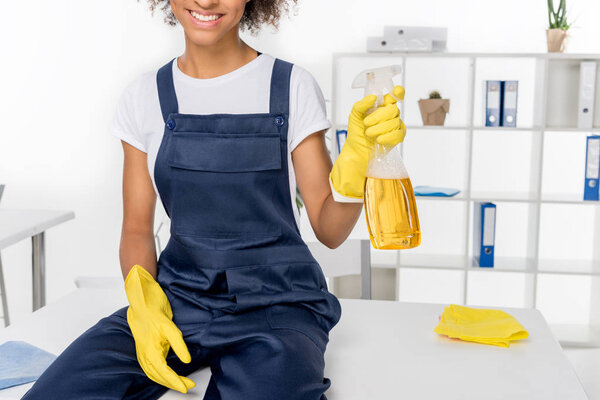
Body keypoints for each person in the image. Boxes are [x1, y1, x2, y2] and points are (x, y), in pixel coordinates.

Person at [21, 0, 406, 398]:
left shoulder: (290, 86)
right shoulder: (144, 97)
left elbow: (330, 230)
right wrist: (144, 302)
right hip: (178, 300)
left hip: (279, 304)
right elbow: (136, 229)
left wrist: (360, 159)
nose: (206, 1)